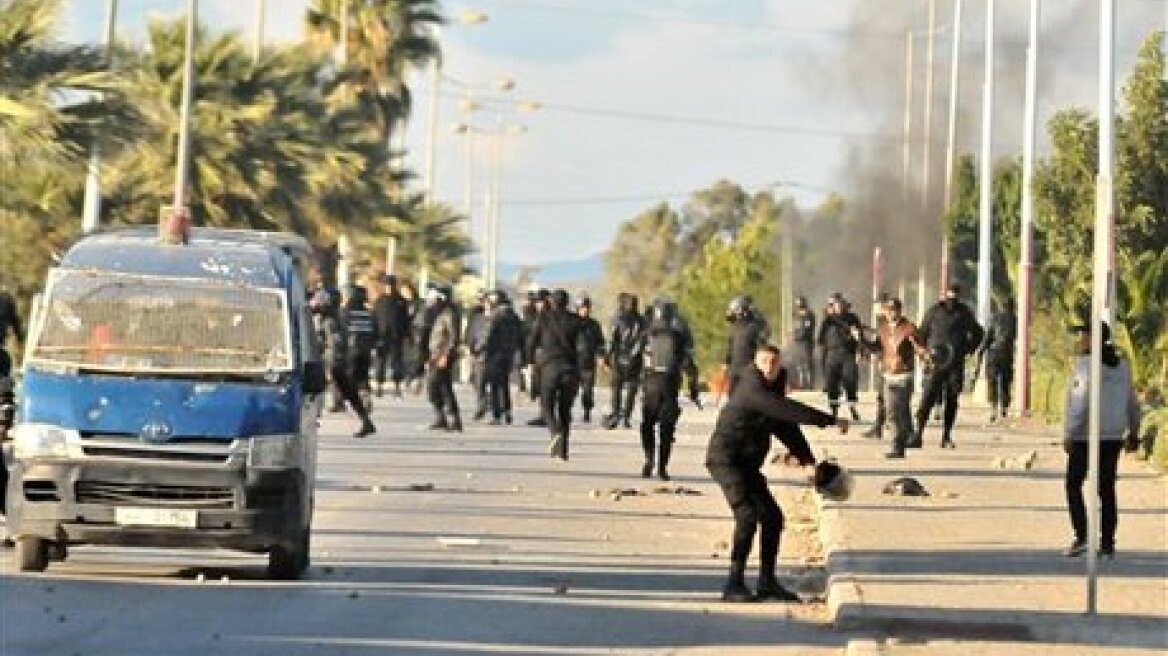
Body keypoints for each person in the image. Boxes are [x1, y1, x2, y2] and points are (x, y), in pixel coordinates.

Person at [706, 344, 849, 602]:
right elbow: (784, 409)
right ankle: (734, 583)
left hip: (748, 465)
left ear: (780, 364)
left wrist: (808, 461)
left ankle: (767, 581)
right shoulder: (752, 388)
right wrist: (829, 420)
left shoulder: (773, 391)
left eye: (774, 362)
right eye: (764, 362)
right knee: (747, 516)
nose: (769, 367)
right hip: (726, 461)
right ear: (755, 363)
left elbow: (786, 427)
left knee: (772, 517)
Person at [1062, 322, 1141, 558]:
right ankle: (1107, 543)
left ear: (1092, 340)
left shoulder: (1086, 365)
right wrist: (1134, 431)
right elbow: (1132, 402)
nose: (1080, 339)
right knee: (1106, 490)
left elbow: (1080, 402)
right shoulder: (1122, 367)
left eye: (1083, 335)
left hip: (1086, 436)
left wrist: (1070, 433)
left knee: (1073, 484)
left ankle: (1083, 536)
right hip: (1113, 435)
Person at [915, 284, 984, 449]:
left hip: (955, 362)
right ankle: (918, 433)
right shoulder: (934, 312)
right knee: (927, 399)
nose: (952, 299)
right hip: (935, 362)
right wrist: (924, 354)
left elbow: (978, 333)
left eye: (955, 295)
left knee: (952, 400)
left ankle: (946, 436)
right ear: (944, 295)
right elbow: (921, 334)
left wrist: (968, 349)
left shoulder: (964, 313)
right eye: (949, 295)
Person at [639, 299, 700, 480]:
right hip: (670, 386)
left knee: (647, 425)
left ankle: (649, 459)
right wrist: (693, 389)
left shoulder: (645, 335)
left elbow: (635, 358)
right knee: (667, 429)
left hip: (650, 386)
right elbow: (689, 365)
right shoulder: (678, 337)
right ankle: (662, 467)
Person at [861, 299, 927, 458]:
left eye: (894, 310)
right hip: (888, 374)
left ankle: (898, 446)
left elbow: (921, 348)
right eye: (889, 310)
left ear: (899, 310)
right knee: (897, 412)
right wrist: (861, 339)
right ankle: (903, 442)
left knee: (894, 412)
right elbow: (876, 349)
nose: (891, 313)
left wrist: (925, 357)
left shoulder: (908, 329)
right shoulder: (883, 330)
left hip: (903, 375)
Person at [310, 287, 376, 438]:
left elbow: (335, 344)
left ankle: (366, 422)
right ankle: (366, 422)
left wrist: (330, 367)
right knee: (350, 393)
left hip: (334, 363)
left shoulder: (330, 321)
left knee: (314, 392)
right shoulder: (332, 317)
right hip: (336, 362)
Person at [527, 289, 582, 460]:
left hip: (549, 368)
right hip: (570, 370)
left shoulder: (543, 319)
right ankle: (564, 450)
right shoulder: (576, 321)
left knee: (547, 405)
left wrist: (529, 362)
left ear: (551, 302)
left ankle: (555, 431)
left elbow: (531, 342)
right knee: (565, 410)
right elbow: (584, 347)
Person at [818, 294, 863, 421]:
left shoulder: (852, 318)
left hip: (848, 354)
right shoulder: (827, 321)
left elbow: (859, 337)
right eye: (835, 304)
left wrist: (859, 351)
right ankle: (834, 411)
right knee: (832, 384)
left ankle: (852, 407)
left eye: (840, 304)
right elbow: (821, 340)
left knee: (850, 381)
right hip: (832, 355)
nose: (838, 307)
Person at [604, 293, 645, 429]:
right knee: (632, 389)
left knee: (616, 388)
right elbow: (643, 341)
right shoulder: (642, 321)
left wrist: (606, 357)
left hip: (618, 358)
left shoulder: (617, 319)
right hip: (635, 359)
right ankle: (627, 416)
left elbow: (611, 340)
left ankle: (616, 414)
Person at [425, 286, 463, 432]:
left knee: (435, 385)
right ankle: (444, 418)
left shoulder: (449, 314)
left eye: (435, 299)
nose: (432, 302)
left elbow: (454, 337)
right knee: (442, 387)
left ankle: (450, 418)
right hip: (436, 355)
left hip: (443, 356)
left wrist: (446, 355)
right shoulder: (440, 314)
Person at [484, 290, 523, 425]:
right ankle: (507, 412)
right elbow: (520, 335)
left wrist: (482, 349)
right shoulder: (514, 316)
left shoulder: (496, 316)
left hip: (495, 354)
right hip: (509, 354)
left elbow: (488, 335)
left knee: (495, 385)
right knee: (504, 384)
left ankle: (497, 414)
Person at [979, 297, 1018, 423]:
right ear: (1012, 307)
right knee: (1005, 381)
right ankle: (1004, 407)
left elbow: (988, 336)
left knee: (992, 381)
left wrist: (981, 350)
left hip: (993, 353)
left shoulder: (994, 317)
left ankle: (993, 407)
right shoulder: (1015, 319)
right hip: (1007, 354)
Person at [373, 274, 411, 398]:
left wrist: (407, 335)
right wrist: (374, 335)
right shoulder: (379, 300)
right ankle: (379, 386)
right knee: (381, 361)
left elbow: (406, 320)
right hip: (382, 336)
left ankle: (397, 387)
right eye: (387, 285)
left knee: (397, 362)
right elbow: (374, 318)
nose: (389, 288)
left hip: (397, 336)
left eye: (391, 285)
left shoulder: (402, 301)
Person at [341, 285, 378, 412]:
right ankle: (366, 398)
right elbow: (374, 331)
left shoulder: (346, 311)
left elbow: (343, 331)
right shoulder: (368, 312)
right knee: (363, 376)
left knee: (350, 376)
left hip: (352, 350)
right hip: (365, 350)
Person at [725, 295, 770, 395]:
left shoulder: (754, 328)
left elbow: (762, 348)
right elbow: (730, 348)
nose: (731, 313)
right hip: (735, 369)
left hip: (749, 368)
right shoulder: (734, 328)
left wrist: (762, 366)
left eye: (734, 311)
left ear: (742, 311)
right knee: (732, 396)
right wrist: (726, 363)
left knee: (750, 395)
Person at [574, 297, 606, 423]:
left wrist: (601, 357)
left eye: (587, 307)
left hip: (588, 362)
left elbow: (600, 343)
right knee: (570, 389)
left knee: (588, 389)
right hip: (573, 361)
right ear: (578, 309)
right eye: (582, 308)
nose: (585, 310)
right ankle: (566, 411)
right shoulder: (572, 323)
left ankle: (587, 411)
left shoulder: (594, 324)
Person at [524, 288, 550, 426]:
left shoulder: (550, 316)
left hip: (549, 355)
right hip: (536, 356)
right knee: (539, 387)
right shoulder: (531, 316)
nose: (540, 304)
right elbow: (528, 338)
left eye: (542, 301)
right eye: (538, 302)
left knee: (547, 386)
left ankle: (547, 415)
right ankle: (543, 414)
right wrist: (528, 359)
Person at [465, 292, 492, 421]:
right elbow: (471, 331)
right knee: (474, 379)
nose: (480, 301)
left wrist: (477, 347)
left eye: (483, 299)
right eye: (479, 299)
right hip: (475, 352)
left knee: (482, 381)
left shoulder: (493, 316)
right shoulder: (475, 315)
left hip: (487, 354)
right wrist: (469, 346)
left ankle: (483, 405)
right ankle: (485, 401)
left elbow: (486, 336)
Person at [790, 295, 817, 390]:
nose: (798, 304)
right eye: (797, 303)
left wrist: (798, 336)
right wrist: (793, 336)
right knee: (799, 364)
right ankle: (801, 383)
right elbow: (793, 328)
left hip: (806, 342)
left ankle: (810, 384)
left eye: (800, 302)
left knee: (808, 363)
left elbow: (807, 329)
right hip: (797, 343)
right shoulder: (795, 315)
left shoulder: (809, 315)